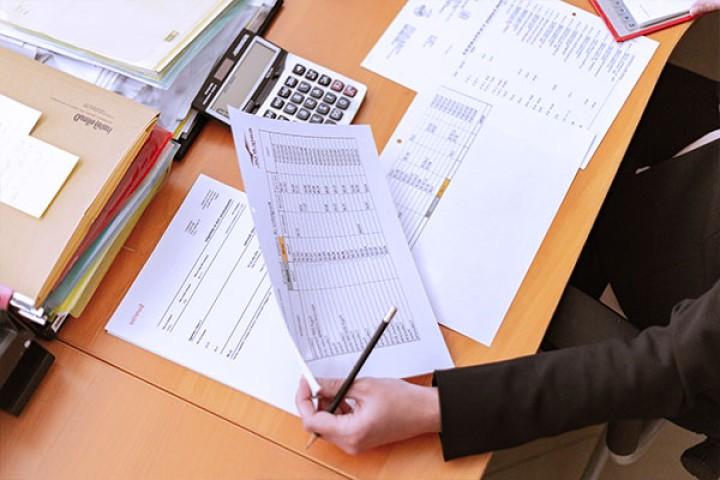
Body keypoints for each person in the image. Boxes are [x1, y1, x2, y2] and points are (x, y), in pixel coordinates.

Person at [296, 4, 720, 478]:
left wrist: (435, 410)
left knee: (462, 264)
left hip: (684, 293)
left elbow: (673, 362)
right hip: (703, 151)